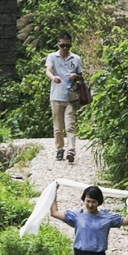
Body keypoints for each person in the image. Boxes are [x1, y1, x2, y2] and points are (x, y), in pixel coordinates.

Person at [45, 33, 85, 163]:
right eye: (63, 45)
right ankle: (60, 149)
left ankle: (71, 151)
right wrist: (53, 78)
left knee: (70, 126)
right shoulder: (52, 57)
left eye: (68, 46)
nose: (65, 48)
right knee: (58, 127)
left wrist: (75, 76)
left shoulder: (76, 58)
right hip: (56, 97)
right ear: (58, 45)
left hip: (70, 97)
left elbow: (81, 76)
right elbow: (48, 71)